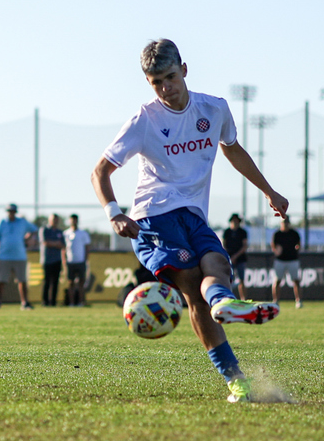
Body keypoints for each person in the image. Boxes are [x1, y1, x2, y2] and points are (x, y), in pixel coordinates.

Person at [91, 39, 286, 404]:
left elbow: (233, 150)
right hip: (153, 217)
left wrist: (269, 191)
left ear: (184, 69)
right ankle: (236, 380)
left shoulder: (214, 109)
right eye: (156, 82)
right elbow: (100, 171)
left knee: (217, 264)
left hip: (194, 216)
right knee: (193, 287)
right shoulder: (144, 120)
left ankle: (225, 303)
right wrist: (115, 214)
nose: (165, 88)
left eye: (169, 77)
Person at [0, 204, 37, 310]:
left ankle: (24, 303)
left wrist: (28, 238)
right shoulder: (1, 222)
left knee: (22, 280)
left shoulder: (22, 222)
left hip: (20, 256)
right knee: (1, 280)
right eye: (9, 211)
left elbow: (34, 230)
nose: (11, 213)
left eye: (12, 211)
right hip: (4, 256)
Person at [271, 215, 302, 308]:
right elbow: (273, 245)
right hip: (280, 260)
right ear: (281, 223)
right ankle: (275, 301)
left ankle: (298, 300)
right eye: (284, 222)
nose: (285, 224)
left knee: (296, 281)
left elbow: (299, 244)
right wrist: (276, 251)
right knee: (277, 281)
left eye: (287, 222)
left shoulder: (294, 233)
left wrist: (296, 249)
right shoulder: (277, 234)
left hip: (292, 260)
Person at [63, 214, 90, 307]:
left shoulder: (83, 233)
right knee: (70, 283)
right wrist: (64, 261)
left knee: (81, 283)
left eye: (75, 220)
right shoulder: (66, 233)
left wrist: (85, 260)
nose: (73, 222)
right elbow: (64, 249)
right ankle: (71, 303)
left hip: (81, 261)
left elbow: (87, 247)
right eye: (72, 220)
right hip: (70, 262)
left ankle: (81, 302)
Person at [39, 214, 65, 306]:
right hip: (47, 260)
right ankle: (45, 301)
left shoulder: (60, 232)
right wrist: (56, 244)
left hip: (57, 260)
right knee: (47, 281)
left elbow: (63, 245)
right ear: (49, 220)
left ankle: (53, 301)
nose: (55, 221)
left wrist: (54, 243)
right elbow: (45, 242)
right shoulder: (44, 230)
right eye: (53, 219)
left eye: (56, 220)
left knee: (55, 282)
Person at [221, 214, 249, 299]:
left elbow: (244, 246)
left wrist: (235, 256)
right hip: (229, 258)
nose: (235, 223)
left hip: (240, 258)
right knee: (228, 280)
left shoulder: (242, 232)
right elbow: (223, 245)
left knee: (241, 280)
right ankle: (228, 297)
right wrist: (229, 257)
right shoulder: (227, 232)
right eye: (233, 221)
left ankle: (243, 298)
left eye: (236, 221)